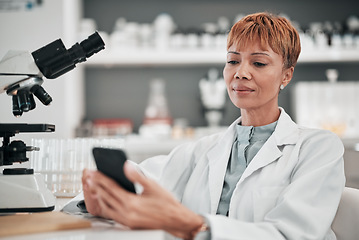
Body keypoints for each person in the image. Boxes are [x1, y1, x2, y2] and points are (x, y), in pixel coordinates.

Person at [82, 12, 345, 240]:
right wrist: (100, 197)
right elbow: (146, 178)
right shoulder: (203, 150)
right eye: (233, 61)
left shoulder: (317, 148)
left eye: (259, 62)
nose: (240, 72)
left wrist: (193, 225)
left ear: (286, 74)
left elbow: (292, 235)